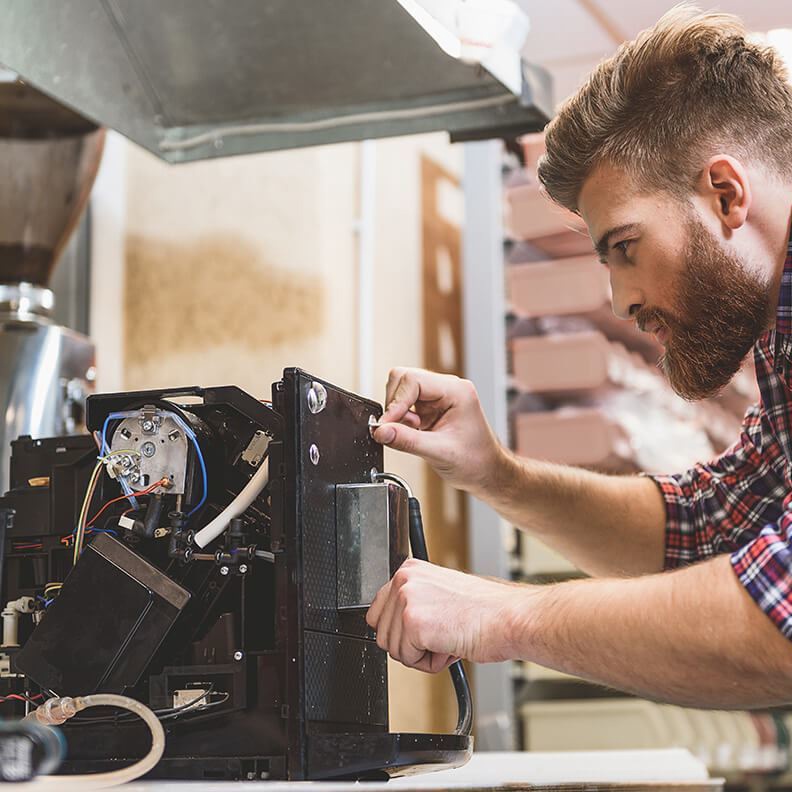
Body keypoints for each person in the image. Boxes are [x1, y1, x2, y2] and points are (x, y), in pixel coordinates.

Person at [366, 5, 792, 708]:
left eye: (626, 247)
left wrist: (503, 616)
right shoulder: (778, 341)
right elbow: (703, 530)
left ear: (725, 192)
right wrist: (496, 474)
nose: (621, 299)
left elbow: (780, 617)